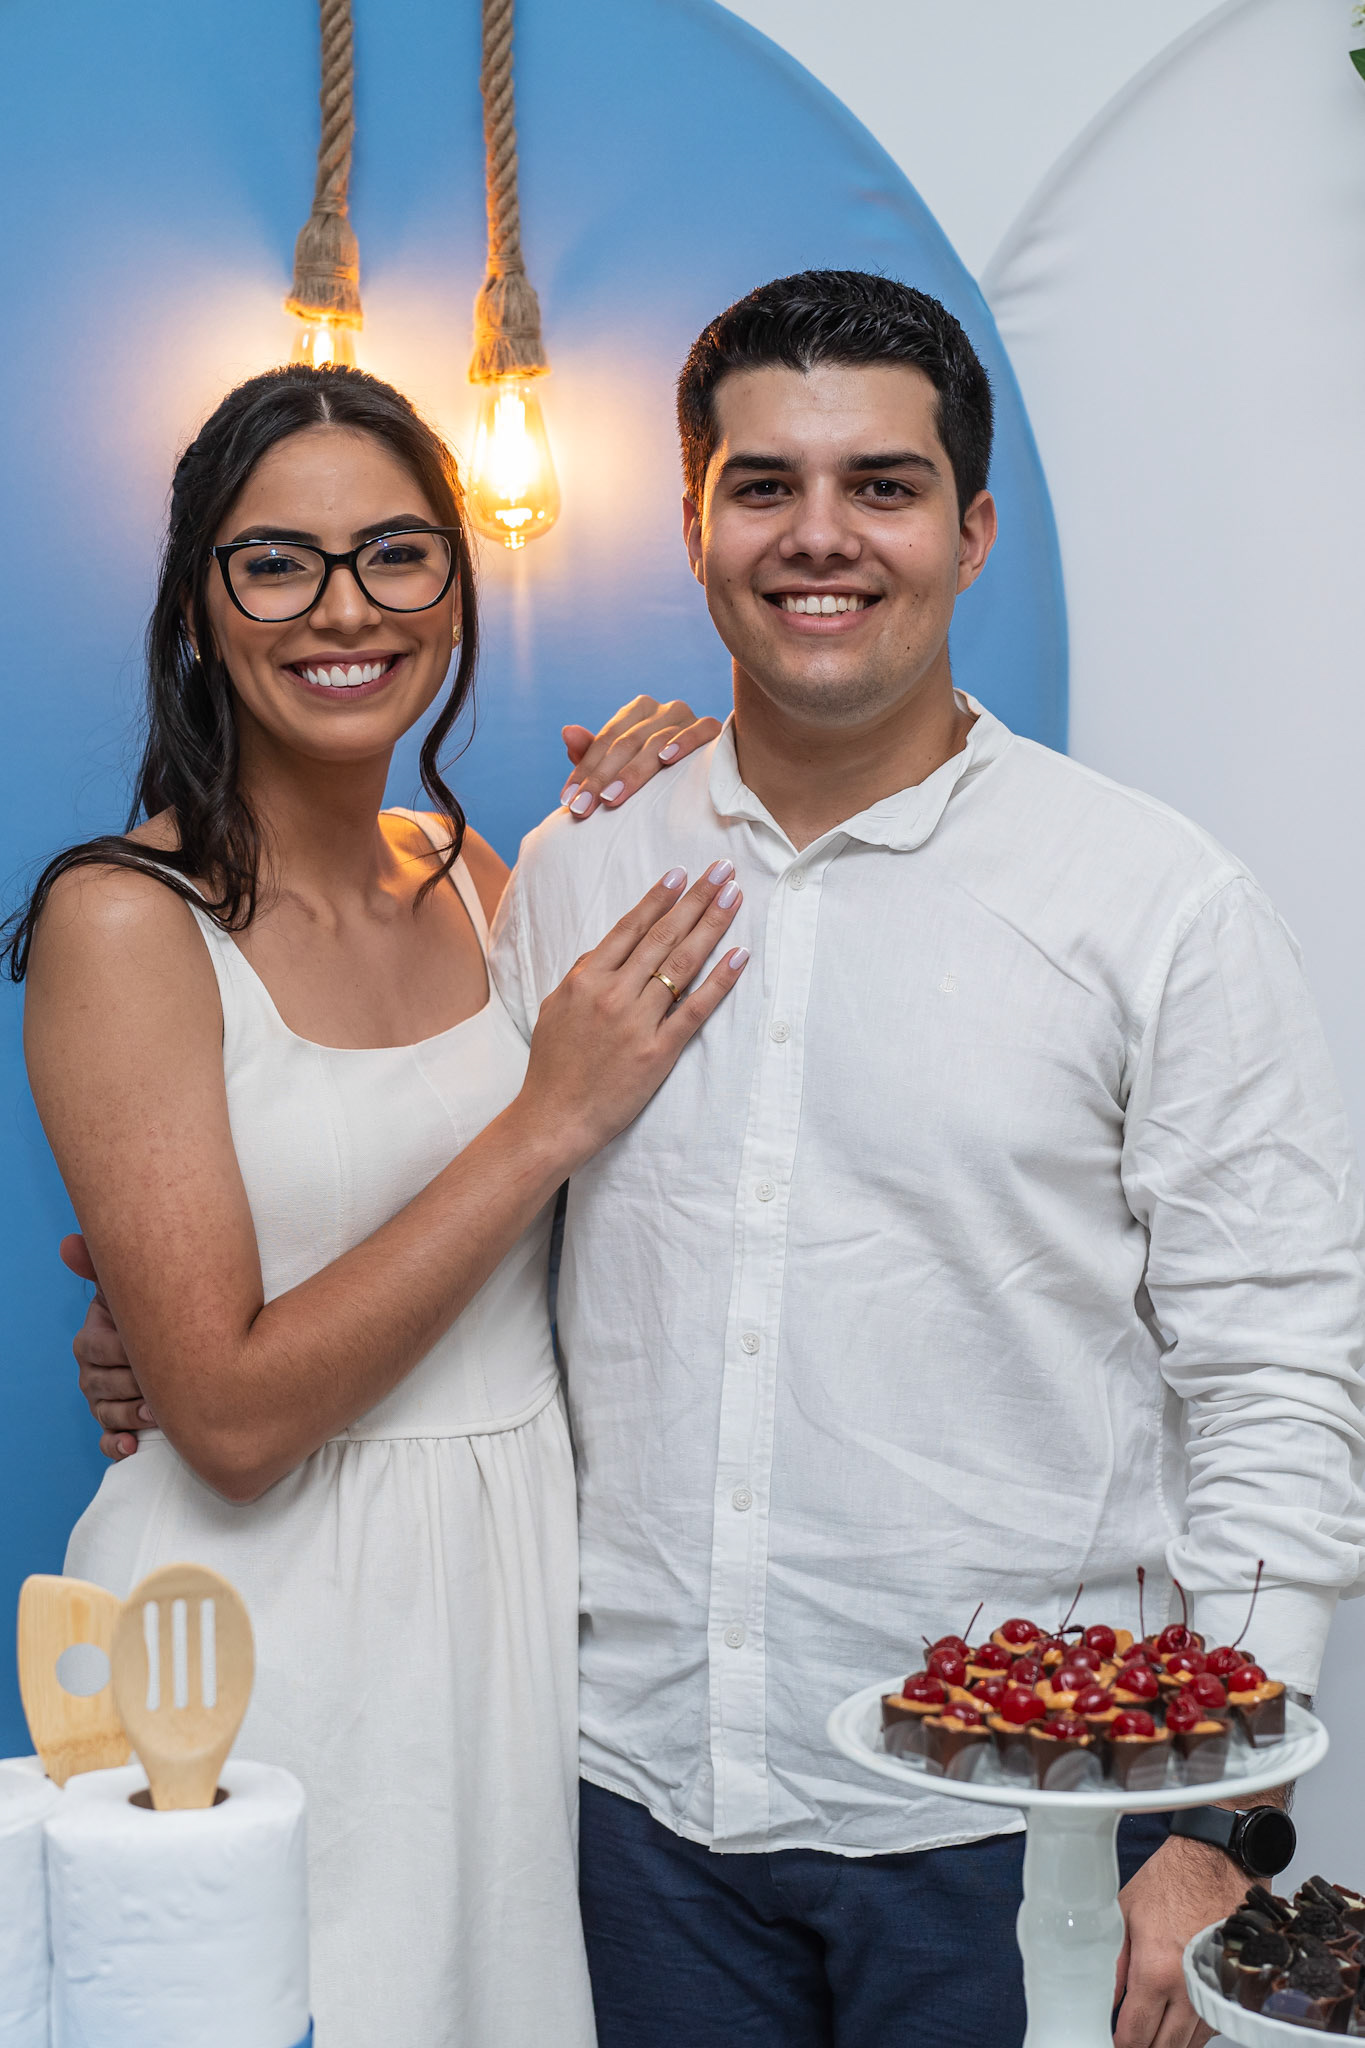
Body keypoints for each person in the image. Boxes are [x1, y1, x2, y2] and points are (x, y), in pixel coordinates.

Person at [66, 273, 1365, 2048]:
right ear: (693, 529)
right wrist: (173, 1328)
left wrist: (1220, 1825)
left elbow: (1279, 1375)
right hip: (622, 1808)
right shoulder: (574, 869)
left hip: (1018, 1815)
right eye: (763, 486)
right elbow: (457, 1192)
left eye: (882, 486)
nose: (819, 536)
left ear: (971, 531)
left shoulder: (1154, 907)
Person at [11, 361, 744, 2048]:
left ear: (455, 590)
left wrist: (695, 777)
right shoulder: (126, 921)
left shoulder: (478, 877)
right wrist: (541, 1123)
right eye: (275, 562)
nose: (344, 609)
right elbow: (229, 1422)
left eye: (396, 553)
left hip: (503, 1604)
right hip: (249, 1635)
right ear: (197, 608)